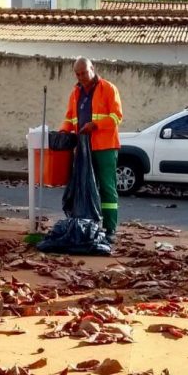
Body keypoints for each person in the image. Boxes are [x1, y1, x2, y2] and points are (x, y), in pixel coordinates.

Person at [59, 57, 123, 242]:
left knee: (107, 188)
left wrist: (94, 125)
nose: (81, 77)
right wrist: (63, 132)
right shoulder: (75, 92)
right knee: (85, 187)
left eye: (84, 72)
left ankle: (110, 229)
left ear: (92, 69)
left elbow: (116, 117)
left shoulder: (108, 89)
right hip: (83, 147)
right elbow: (70, 118)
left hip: (105, 146)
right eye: (78, 74)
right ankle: (90, 225)